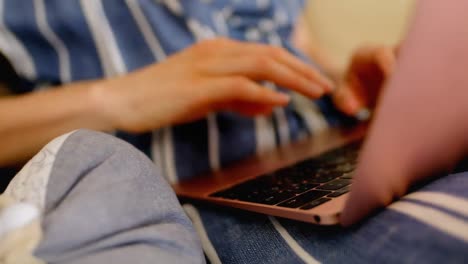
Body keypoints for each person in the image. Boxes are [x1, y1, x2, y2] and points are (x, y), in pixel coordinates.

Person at [1, 0, 467, 263]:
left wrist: (346, 79)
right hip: (191, 190)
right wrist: (123, 97)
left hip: (326, 150)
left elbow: (296, 47)